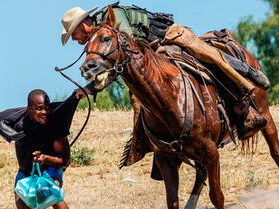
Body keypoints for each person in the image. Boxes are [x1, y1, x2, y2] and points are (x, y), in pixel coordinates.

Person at [61, 3, 270, 139]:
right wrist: (90, 85)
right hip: (150, 56)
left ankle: (244, 102)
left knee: (209, 59)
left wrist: (92, 86)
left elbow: (126, 51)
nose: (73, 39)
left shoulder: (111, 18)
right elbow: (110, 66)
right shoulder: (97, 40)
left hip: (168, 39)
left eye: (73, 33)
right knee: (139, 97)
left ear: (83, 24)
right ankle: (152, 142)